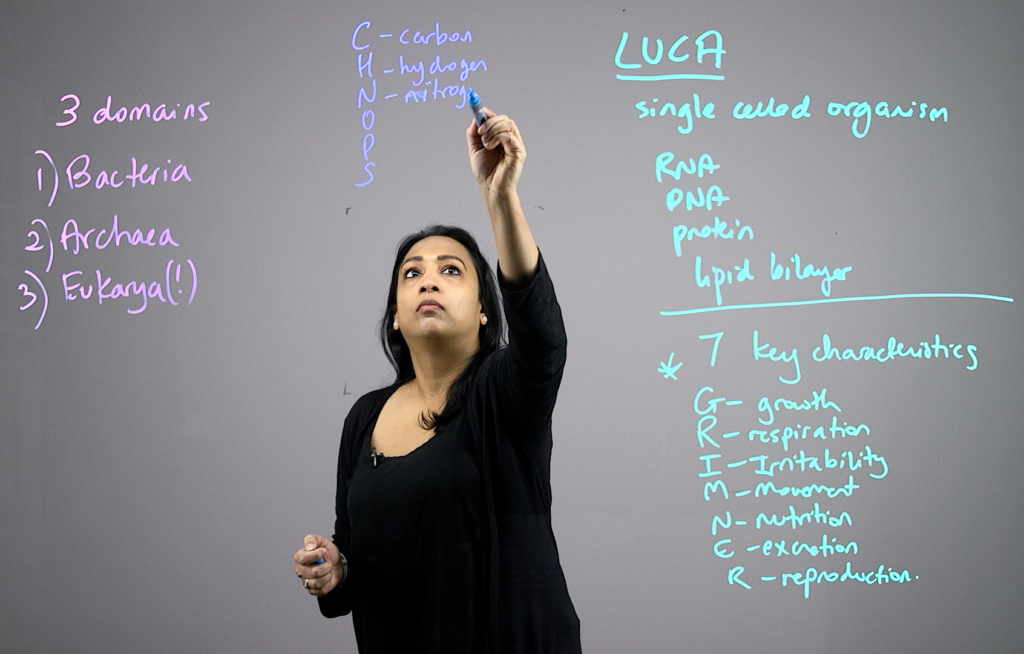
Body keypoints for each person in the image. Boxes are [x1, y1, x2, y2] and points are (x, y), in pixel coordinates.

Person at [293, 107, 582, 653]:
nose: (430, 279)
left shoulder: (503, 394)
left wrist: (500, 198)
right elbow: (354, 557)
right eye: (412, 272)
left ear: (482, 311)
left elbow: (542, 339)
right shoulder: (364, 419)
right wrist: (333, 569)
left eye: (452, 270)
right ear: (396, 315)